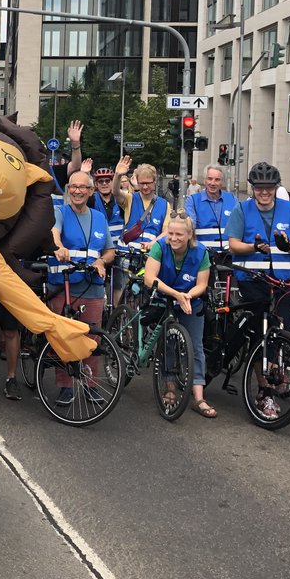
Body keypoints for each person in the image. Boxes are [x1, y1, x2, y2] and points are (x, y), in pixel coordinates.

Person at [226, 163, 290, 418]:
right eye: (260, 188)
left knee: (279, 332)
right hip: (254, 280)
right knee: (260, 334)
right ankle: (265, 392)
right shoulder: (242, 209)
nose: (265, 192)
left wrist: (287, 246)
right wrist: (253, 247)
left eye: (269, 188)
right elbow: (233, 245)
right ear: (253, 189)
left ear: (276, 188)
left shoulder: (289, 209)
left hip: (283, 280)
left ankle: (274, 376)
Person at [46, 170, 115, 402]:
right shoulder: (60, 212)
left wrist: (101, 260)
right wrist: (58, 246)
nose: (77, 191)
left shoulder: (98, 217)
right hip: (65, 283)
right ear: (68, 190)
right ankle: (65, 386)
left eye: (82, 187)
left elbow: (109, 250)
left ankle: (90, 385)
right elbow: (54, 232)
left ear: (90, 191)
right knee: (64, 337)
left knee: (92, 338)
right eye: (73, 187)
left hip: (93, 285)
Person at [145, 212, 213, 417]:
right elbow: (149, 278)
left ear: (190, 235)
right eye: (170, 233)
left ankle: (199, 397)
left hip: (190, 300)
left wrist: (187, 296)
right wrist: (176, 294)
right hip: (165, 297)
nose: (173, 238)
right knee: (168, 344)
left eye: (179, 235)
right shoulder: (160, 247)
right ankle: (170, 388)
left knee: (196, 346)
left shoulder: (201, 252)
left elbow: (202, 284)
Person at [113, 156, 169, 249]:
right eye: (142, 183)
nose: (145, 187)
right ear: (137, 183)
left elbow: (166, 231)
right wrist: (117, 175)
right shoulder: (130, 198)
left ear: (154, 182)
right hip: (126, 254)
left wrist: (152, 243)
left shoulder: (164, 205)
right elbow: (115, 192)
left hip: (149, 254)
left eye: (148, 183)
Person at [184, 164, 238, 254]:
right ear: (204, 181)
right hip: (202, 256)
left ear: (222, 182)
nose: (212, 183)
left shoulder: (232, 199)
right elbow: (190, 227)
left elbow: (238, 227)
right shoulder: (192, 200)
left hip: (228, 256)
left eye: (217, 180)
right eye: (209, 179)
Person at [90, 165, 125, 244]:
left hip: (119, 247)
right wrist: (85, 173)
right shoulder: (92, 200)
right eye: (100, 181)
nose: (104, 184)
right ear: (96, 184)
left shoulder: (120, 201)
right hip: (99, 246)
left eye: (107, 181)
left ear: (112, 183)